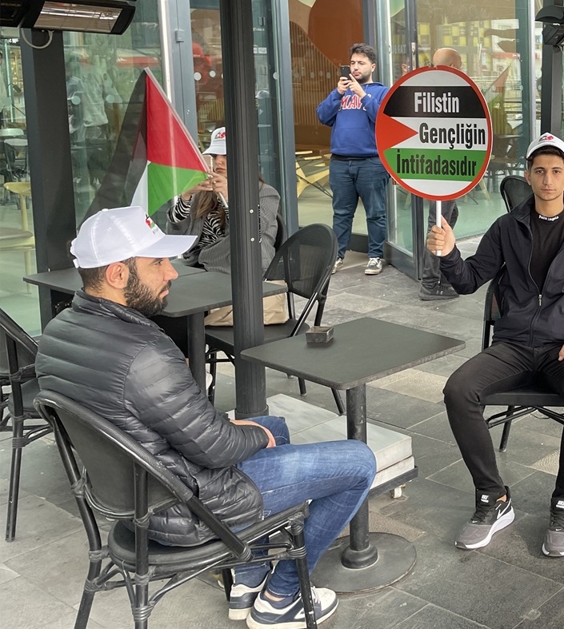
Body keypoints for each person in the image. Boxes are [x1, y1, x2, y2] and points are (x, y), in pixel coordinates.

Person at [34, 206, 376, 628]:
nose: (171, 273)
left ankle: (248, 577)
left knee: (273, 424)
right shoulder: (144, 354)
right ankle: (282, 597)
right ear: (118, 274)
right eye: (157, 263)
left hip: (136, 495)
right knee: (358, 462)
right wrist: (253, 437)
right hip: (189, 508)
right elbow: (217, 450)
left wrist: (249, 432)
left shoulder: (58, 333)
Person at [426, 133, 564, 558]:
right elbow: (468, 281)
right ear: (528, 176)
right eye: (539, 171)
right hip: (513, 344)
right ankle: (493, 497)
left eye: (555, 171)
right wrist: (449, 254)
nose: (547, 179)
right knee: (458, 390)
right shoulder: (506, 227)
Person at [316, 42, 390, 276]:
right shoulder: (341, 92)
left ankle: (375, 256)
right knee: (341, 213)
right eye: (352, 63)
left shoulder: (382, 92)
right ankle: (336, 256)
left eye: (361, 63)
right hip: (340, 162)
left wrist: (362, 94)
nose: (355, 67)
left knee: (375, 212)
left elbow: (384, 120)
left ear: (372, 67)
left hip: (371, 162)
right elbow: (322, 116)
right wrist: (337, 93)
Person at [168, 127, 281, 276]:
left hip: (240, 267)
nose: (218, 161)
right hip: (197, 264)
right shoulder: (205, 190)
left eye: (226, 155)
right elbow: (176, 236)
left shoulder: (265, 193)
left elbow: (252, 231)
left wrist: (228, 196)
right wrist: (185, 196)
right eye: (214, 156)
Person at [419, 47, 464, 301]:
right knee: (438, 221)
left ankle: (442, 272)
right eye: (460, 66)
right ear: (454, 67)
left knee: (448, 216)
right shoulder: (447, 92)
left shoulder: (426, 89)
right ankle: (430, 283)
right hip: (443, 168)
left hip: (439, 166)